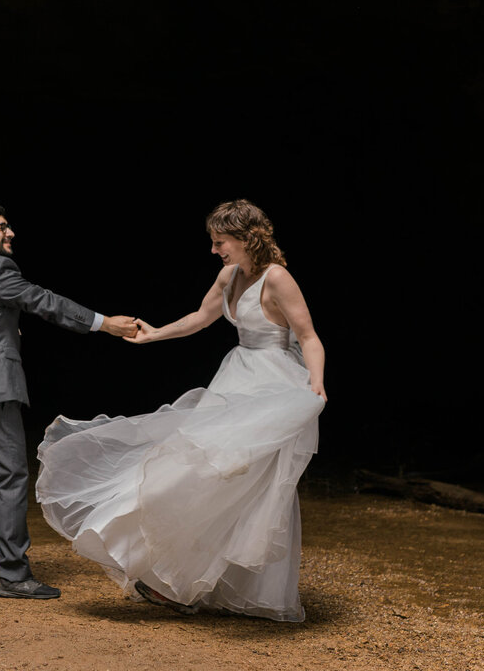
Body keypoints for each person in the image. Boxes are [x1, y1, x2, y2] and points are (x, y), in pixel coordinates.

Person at [35, 199, 326, 620]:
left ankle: (198, 584)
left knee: (241, 486)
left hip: (272, 386)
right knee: (193, 474)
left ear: (246, 239)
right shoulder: (230, 274)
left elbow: (309, 336)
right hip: (237, 379)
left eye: (220, 241)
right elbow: (200, 317)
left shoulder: (277, 278)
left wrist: (316, 383)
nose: (214, 250)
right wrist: (155, 336)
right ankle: (174, 578)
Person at [0, 201, 139, 600]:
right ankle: (13, 575)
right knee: (9, 477)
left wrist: (6, 333)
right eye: (1, 227)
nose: (10, 233)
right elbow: (45, 302)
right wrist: (104, 324)